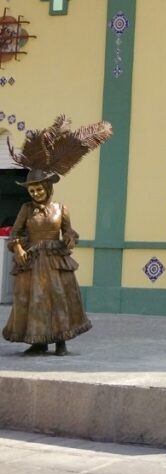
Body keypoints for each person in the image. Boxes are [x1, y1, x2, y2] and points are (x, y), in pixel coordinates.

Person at [2, 117, 110, 356]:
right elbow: (15, 234)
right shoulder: (26, 210)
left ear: (48, 188)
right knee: (34, 300)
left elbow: (69, 231)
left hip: (56, 261)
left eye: (39, 189)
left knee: (60, 298)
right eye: (32, 190)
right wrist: (18, 248)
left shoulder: (61, 209)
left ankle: (61, 341)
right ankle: (38, 341)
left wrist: (70, 237)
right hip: (32, 262)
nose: (36, 193)